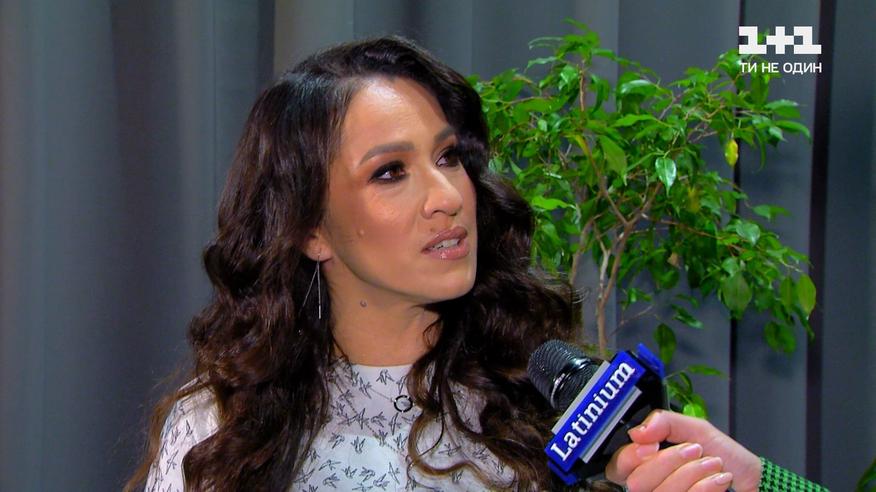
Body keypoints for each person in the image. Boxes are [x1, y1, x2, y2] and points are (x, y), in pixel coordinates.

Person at [126, 37, 825, 491]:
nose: (447, 197)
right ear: (311, 229)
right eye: (390, 172)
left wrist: (752, 482)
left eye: (449, 156)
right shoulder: (218, 430)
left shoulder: (546, 406)